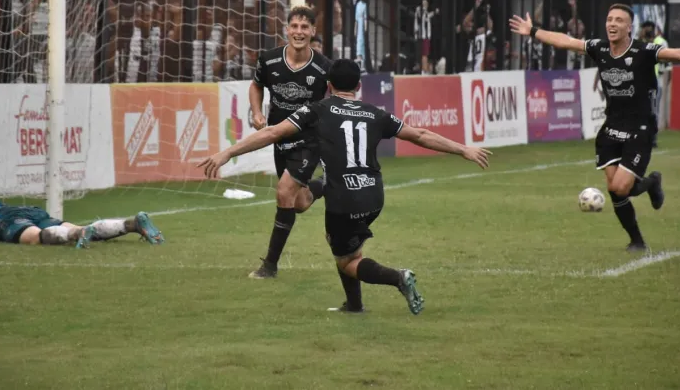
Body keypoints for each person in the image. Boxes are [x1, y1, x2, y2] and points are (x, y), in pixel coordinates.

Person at [200, 59, 491, 314]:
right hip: (374, 195)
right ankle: (354, 306)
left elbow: (273, 132)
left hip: (344, 199)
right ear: (359, 86)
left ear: (327, 85)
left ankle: (398, 277)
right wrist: (463, 149)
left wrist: (228, 152)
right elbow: (420, 134)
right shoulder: (376, 113)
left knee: (347, 261)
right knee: (346, 246)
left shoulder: (317, 110)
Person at [510, 5, 680, 251]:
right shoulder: (599, 48)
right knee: (616, 190)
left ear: (629, 27)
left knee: (620, 187)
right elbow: (565, 41)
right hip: (611, 126)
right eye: (609, 19)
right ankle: (637, 239)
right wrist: (533, 30)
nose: (612, 24)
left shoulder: (643, 51)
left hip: (639, 127)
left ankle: (650, 185)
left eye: (619, 20)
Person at [248, 5, 332, 279]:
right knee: (299, 202)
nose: (299, 32)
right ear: (287, 29)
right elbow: (256, 85)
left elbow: (338, 97)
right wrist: (258, 112)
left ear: (313, 32)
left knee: (284, 192)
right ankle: (325, 186)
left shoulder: (323, 67)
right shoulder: (269, 60)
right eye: (294, 26)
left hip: (309, 141)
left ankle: (269, 265)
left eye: (304, 27)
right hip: (279, 138)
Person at [0, 183, 164, 248]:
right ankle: (131, 224)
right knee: (86, 229)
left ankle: (76, 234)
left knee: (34, 238)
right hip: (24, 210)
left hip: (4, 218)